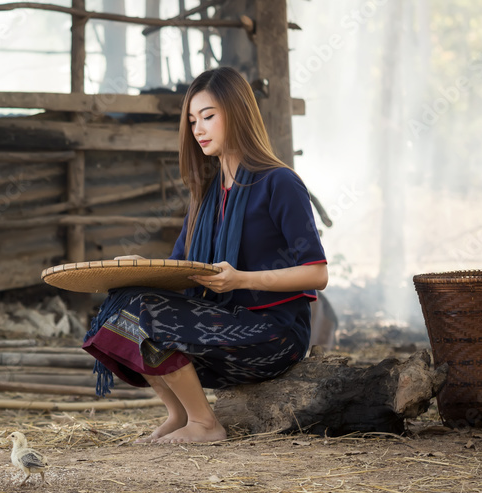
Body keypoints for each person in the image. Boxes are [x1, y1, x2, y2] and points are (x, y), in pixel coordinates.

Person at [82, 66, 328, 444]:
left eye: (208, 116)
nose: (198, 129)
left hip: (274, 334)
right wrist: (137, 268)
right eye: (193, 119)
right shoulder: (207, 196)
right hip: (220, 325)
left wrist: (242, 279)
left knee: (148, 313)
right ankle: (180, 413)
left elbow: (317, 274)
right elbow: (180, 274)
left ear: (238, 112)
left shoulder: (279, 183)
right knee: (123, 302)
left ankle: (206, 424)